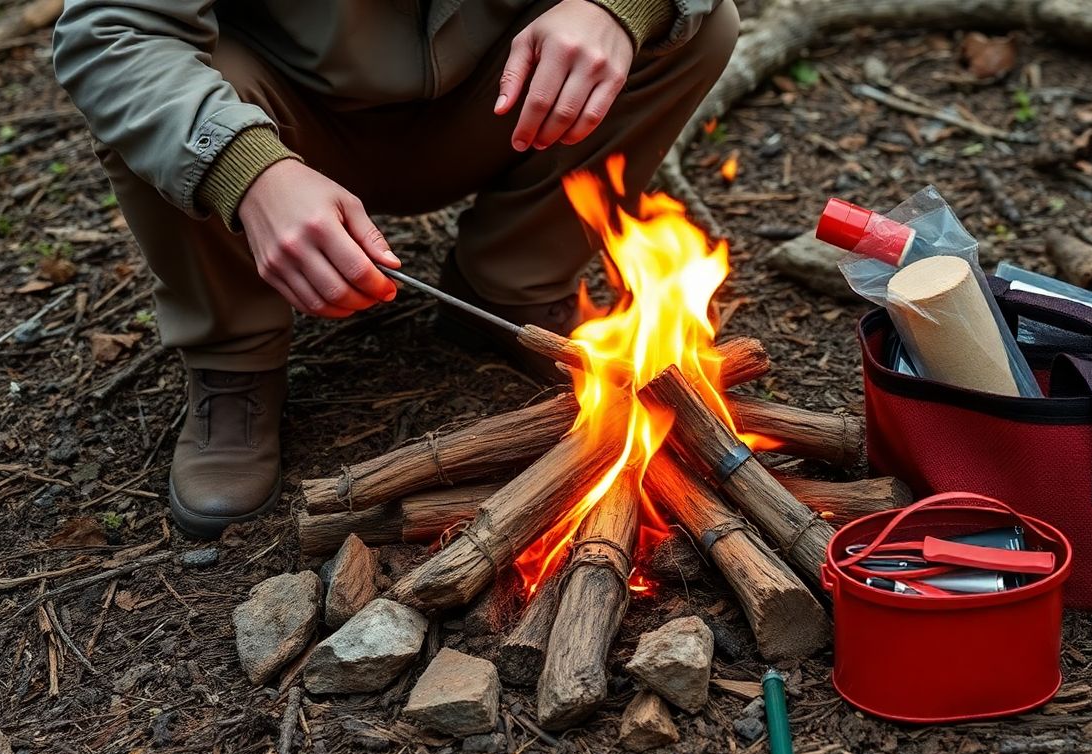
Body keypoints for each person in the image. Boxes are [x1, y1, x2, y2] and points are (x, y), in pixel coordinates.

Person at [53, 0, 740, 539]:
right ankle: (233, 355)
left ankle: (511, 286)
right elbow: (113, 35)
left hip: (495, 97)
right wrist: (245, 168)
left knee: (693, 23)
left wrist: (617, 6)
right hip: (282, 115)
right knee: (160, 106)